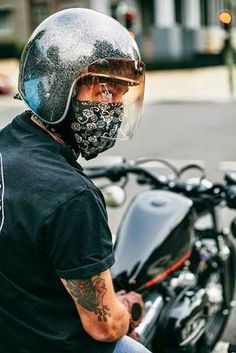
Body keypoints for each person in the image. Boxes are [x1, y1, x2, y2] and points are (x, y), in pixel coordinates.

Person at [0, 8, 149, 353]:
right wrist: (127, 308)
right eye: (104, 93)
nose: (114, 110)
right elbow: (105, 326)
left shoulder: (5, 146)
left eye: (120, 96)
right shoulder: (71, 196)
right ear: (57, 90)